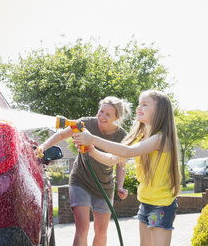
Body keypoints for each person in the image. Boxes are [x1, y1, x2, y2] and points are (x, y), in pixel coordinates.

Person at [73, 90, 181, 246]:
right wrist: (91, 150)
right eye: (139, 104)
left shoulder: (161, 138)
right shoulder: (140, 136)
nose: (138, 108)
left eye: (144, 104)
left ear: (159, 110)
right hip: (145, 202)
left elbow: (128, 152)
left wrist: (92, 139)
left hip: (162, 205)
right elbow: (112, 160)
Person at [37, 96, 131, 246]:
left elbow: (120, 164)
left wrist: (120, 186)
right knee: (83, 228)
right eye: (101, 111)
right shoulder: (85, 123)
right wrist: (43, 146)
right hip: (80, 181)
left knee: (101, 232)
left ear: (116, 117)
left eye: (108, 114)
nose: (102, 116)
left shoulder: (122, 136)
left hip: (105, 186)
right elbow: (61, 135)